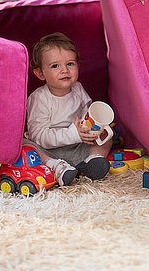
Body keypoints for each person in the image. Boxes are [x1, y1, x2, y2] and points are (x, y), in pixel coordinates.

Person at [25, 32, 112, 186]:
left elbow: (87, 114)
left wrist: (93, 130)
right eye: (55, 66)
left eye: (70, 64)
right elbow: (39, 135)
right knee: (24, 144)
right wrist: (73, 134)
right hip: (49, 151)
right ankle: (55, 167)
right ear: (40, 73)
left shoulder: (78, 89)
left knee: (107, 137)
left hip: (78, 147)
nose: (64, 70)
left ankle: (92, 161)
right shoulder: (39, 98)